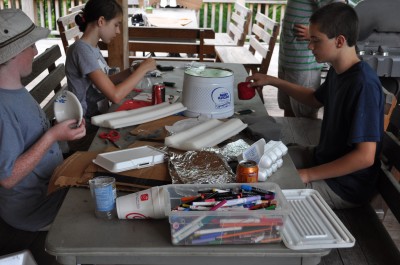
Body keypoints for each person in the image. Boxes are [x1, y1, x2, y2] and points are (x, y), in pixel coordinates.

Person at [246, 3, 384, 209]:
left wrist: (307, 175)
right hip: (323, 158)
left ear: (339, 41)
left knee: (259, 194)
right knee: (256, 162)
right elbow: (314, 99)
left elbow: (365, 157)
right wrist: (272, 80)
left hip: (345, 186)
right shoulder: (338, 71)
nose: (310, 46)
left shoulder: (363, 84)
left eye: (315, 40)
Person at [0, 9, 86, 262]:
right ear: (14, 52)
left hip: (51, 187)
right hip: (32, 211)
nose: (36, 52)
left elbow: (27, 135)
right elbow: (7, 178)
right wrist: (51, 136)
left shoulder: (14, 89)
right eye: (31, 46)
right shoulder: (3, 107)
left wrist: (59, 130)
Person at [65, 0, 157, 151]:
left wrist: (131, 71)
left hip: (98, 123)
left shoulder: (91, 48)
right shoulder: (81, 51)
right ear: (101, 21)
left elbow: (103, 82)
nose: (118, 31)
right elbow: (115, 95)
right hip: (85, 133)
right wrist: (143, 70)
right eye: (116, 24)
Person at [277, 0, 344, 118]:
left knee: (304, 115)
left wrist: (313, 33)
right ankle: (288, 137)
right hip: (287, 59)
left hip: (303, 64)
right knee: (288, 109)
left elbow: (339, 10)